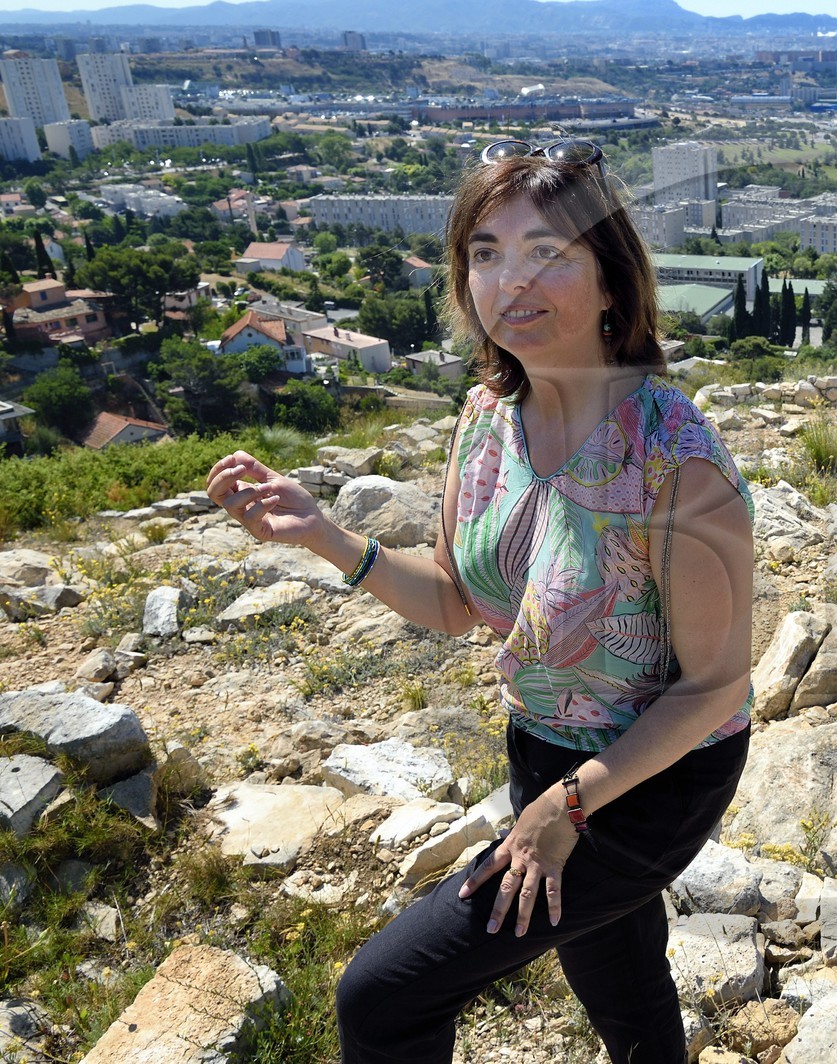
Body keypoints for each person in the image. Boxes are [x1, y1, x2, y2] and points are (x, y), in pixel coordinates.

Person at [203, 138, 754, 1063]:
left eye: (549, 252)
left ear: (612, 281)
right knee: (613, 969)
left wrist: (564, 810)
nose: (511, 282)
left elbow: (715, 688)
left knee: (383, 996)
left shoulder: (676, 460)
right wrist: (326, 536)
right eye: (486, 253)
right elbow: (459, 601)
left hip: (653, 780)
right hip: (540, 747)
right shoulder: (486, 421)